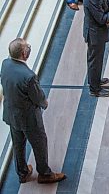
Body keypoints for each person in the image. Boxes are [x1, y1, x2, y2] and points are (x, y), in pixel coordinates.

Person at [1, 38, 66, 184]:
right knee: (39, 143)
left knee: (18, 144)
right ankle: (44, 173)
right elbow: (37, 97)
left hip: (12, 114)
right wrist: (44, 103)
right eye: (27, 47)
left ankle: (22, 172)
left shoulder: (5, 64)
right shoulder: (28, 76)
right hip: (29, 118)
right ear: (24, 53)